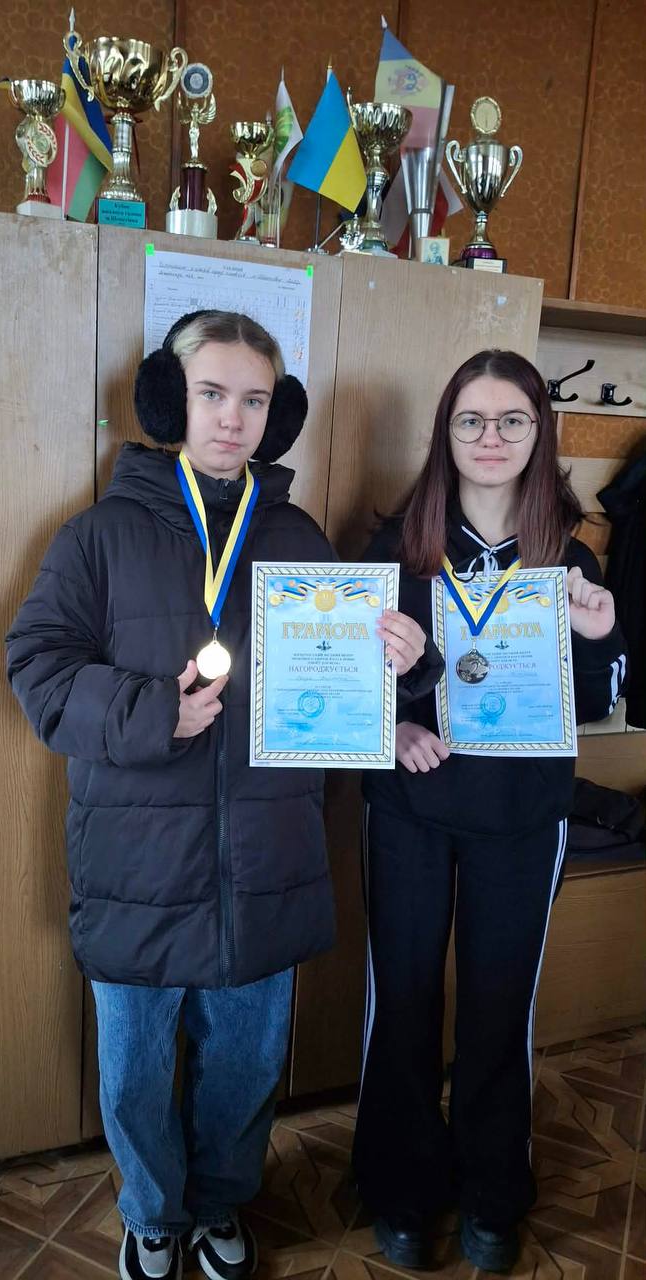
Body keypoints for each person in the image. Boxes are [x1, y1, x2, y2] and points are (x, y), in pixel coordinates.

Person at [6, 310, 427, 1280]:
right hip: (139, 869)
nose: (232, 417)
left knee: (244, 1063)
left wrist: (401, 668)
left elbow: (343, 689)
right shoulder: (100, 535)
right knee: (135, 1070)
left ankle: (222, 1199)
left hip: (266, 864)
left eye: (254, 399)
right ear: (169, 401)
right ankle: (152, 1214)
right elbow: (35, 664)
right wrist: (154, 710)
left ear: (278, 415)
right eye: (211, 393)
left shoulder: (300, 539)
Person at [353, 349, 628, 1273]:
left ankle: (492, 1192)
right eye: (471, 419)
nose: (491, 437)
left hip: (522, 816)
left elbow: (594, 702)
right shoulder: (396, 546)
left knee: (499, 1008)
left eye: (513, 420)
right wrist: (392, 730)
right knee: (402, 1003)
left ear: (539, 433)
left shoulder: (569, 559)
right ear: (446, 432)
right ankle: (401, 1188)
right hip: (410, 807)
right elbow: (338, 678)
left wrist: (600, 636)